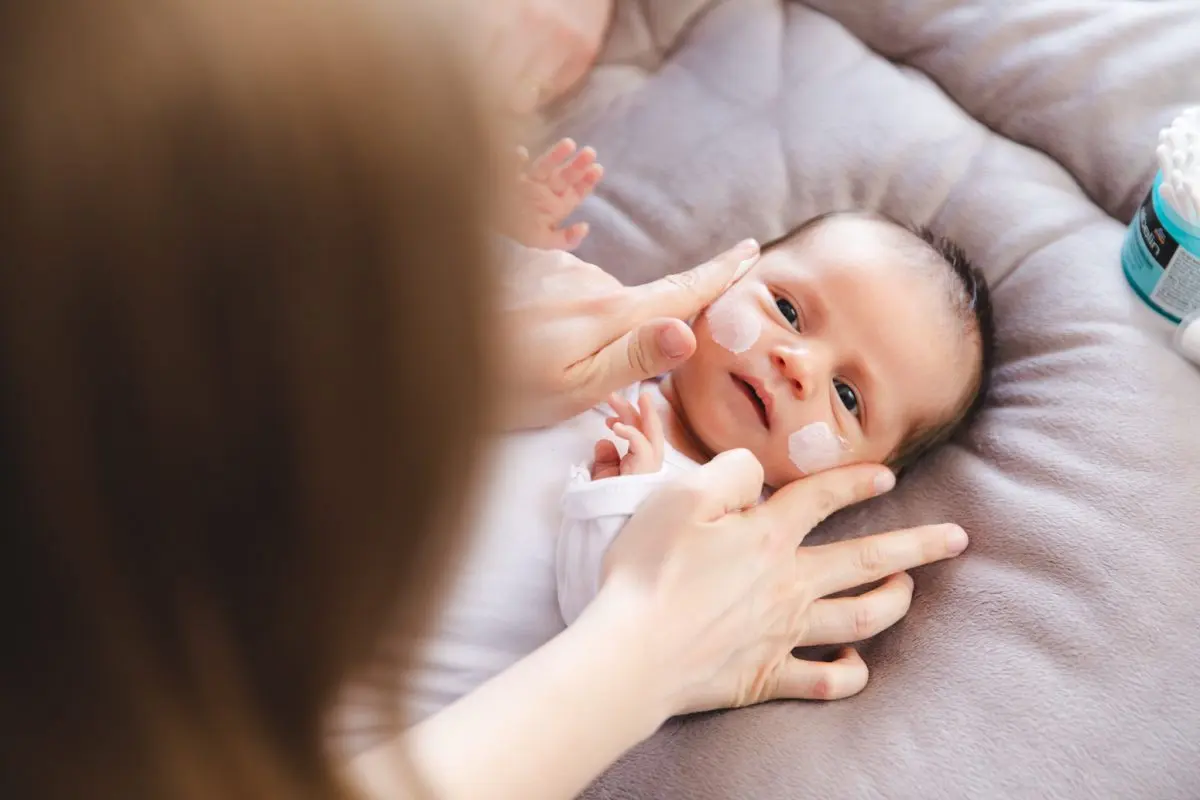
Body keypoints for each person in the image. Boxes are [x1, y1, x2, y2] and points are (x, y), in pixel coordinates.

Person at [0, 2, 971, 800]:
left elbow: (619, 597)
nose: (798, 364)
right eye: (790, 308)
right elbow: (421, 297)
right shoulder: (590, 309)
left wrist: (630, 495)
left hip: (384, 716)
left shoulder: (714, 507)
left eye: (848, 393)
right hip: (252, 586)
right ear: (729, 273)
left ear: (860, 472)